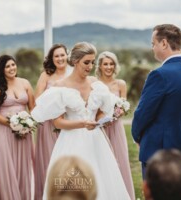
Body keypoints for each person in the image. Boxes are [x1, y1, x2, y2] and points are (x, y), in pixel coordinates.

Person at [32, 41, 131, 200]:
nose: (90, 66)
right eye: (86, 62)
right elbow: (57, 123)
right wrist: (82, 124)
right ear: (75, 61)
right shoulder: (60, 86)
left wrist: (100, 119)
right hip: (71, 141)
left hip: (96, 141)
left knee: (102, 181)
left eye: (92, 62)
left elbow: (101, 111)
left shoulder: (94, 83)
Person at [131, 24, 181, 179]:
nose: (152, 48)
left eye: (153, 44)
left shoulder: (159, 75)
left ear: (164, 43)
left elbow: (143, 113)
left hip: (159, 152)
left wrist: (137, 136)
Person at [0, 55, 35, 199]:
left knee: (22, 165)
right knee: (6, 166)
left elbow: (32, 108)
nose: (11, 68)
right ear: (2, 69)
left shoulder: (25, 83)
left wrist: (28, 124)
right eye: (7, 66)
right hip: (2, 130)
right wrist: (12, 124)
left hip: (24, 131)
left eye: (13, 65)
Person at [34, 43, 73, 199]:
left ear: (67, 55)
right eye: (56, 56)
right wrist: (54, 110)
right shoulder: (46, 75)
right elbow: (37, 99)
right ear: (52, 59)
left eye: (62, 55)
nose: (60, 58)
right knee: (49, 160)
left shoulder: (73, 74)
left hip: (69, 124)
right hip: (49, 126)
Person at [95, 51, 135, 200]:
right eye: (105, 64)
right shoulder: (94, 84)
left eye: (111, 64)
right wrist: (102, 118)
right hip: (100, 128)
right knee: (102, 161)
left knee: (120, 160)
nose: (108, 67)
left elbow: (123, 107)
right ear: (100, 65)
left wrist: (115, 115)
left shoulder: (121, 84)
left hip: (116, 127)